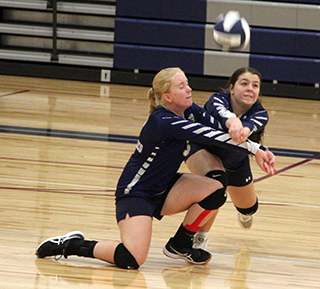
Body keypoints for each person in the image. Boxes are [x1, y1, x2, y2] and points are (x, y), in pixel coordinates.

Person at [35, 67, 275, 269]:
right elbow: (211, 135)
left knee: (215, 189)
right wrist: (256, 150)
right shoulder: (163, 120)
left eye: (187, 84)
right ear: (167, 96)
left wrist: (257, 147)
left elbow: (220, 130)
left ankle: (181, 243)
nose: (189, 89)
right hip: (137, 193)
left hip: (166, 188)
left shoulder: (190, 111)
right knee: (131, 259)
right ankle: (72, 244)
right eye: (181, 86)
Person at [185, 67, 276, 250]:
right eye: (244, 83)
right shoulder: (217, 100)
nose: (250, 88)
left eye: (255, 85)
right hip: (202, 150)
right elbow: (225, 116)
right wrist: (234, 123)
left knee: (248, 208)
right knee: (215, 185)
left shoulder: (260, 113)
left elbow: (248, 128)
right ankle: (199, 239)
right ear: (232, 88)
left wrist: (250, 140)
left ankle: (245, 213)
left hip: (235, 161)